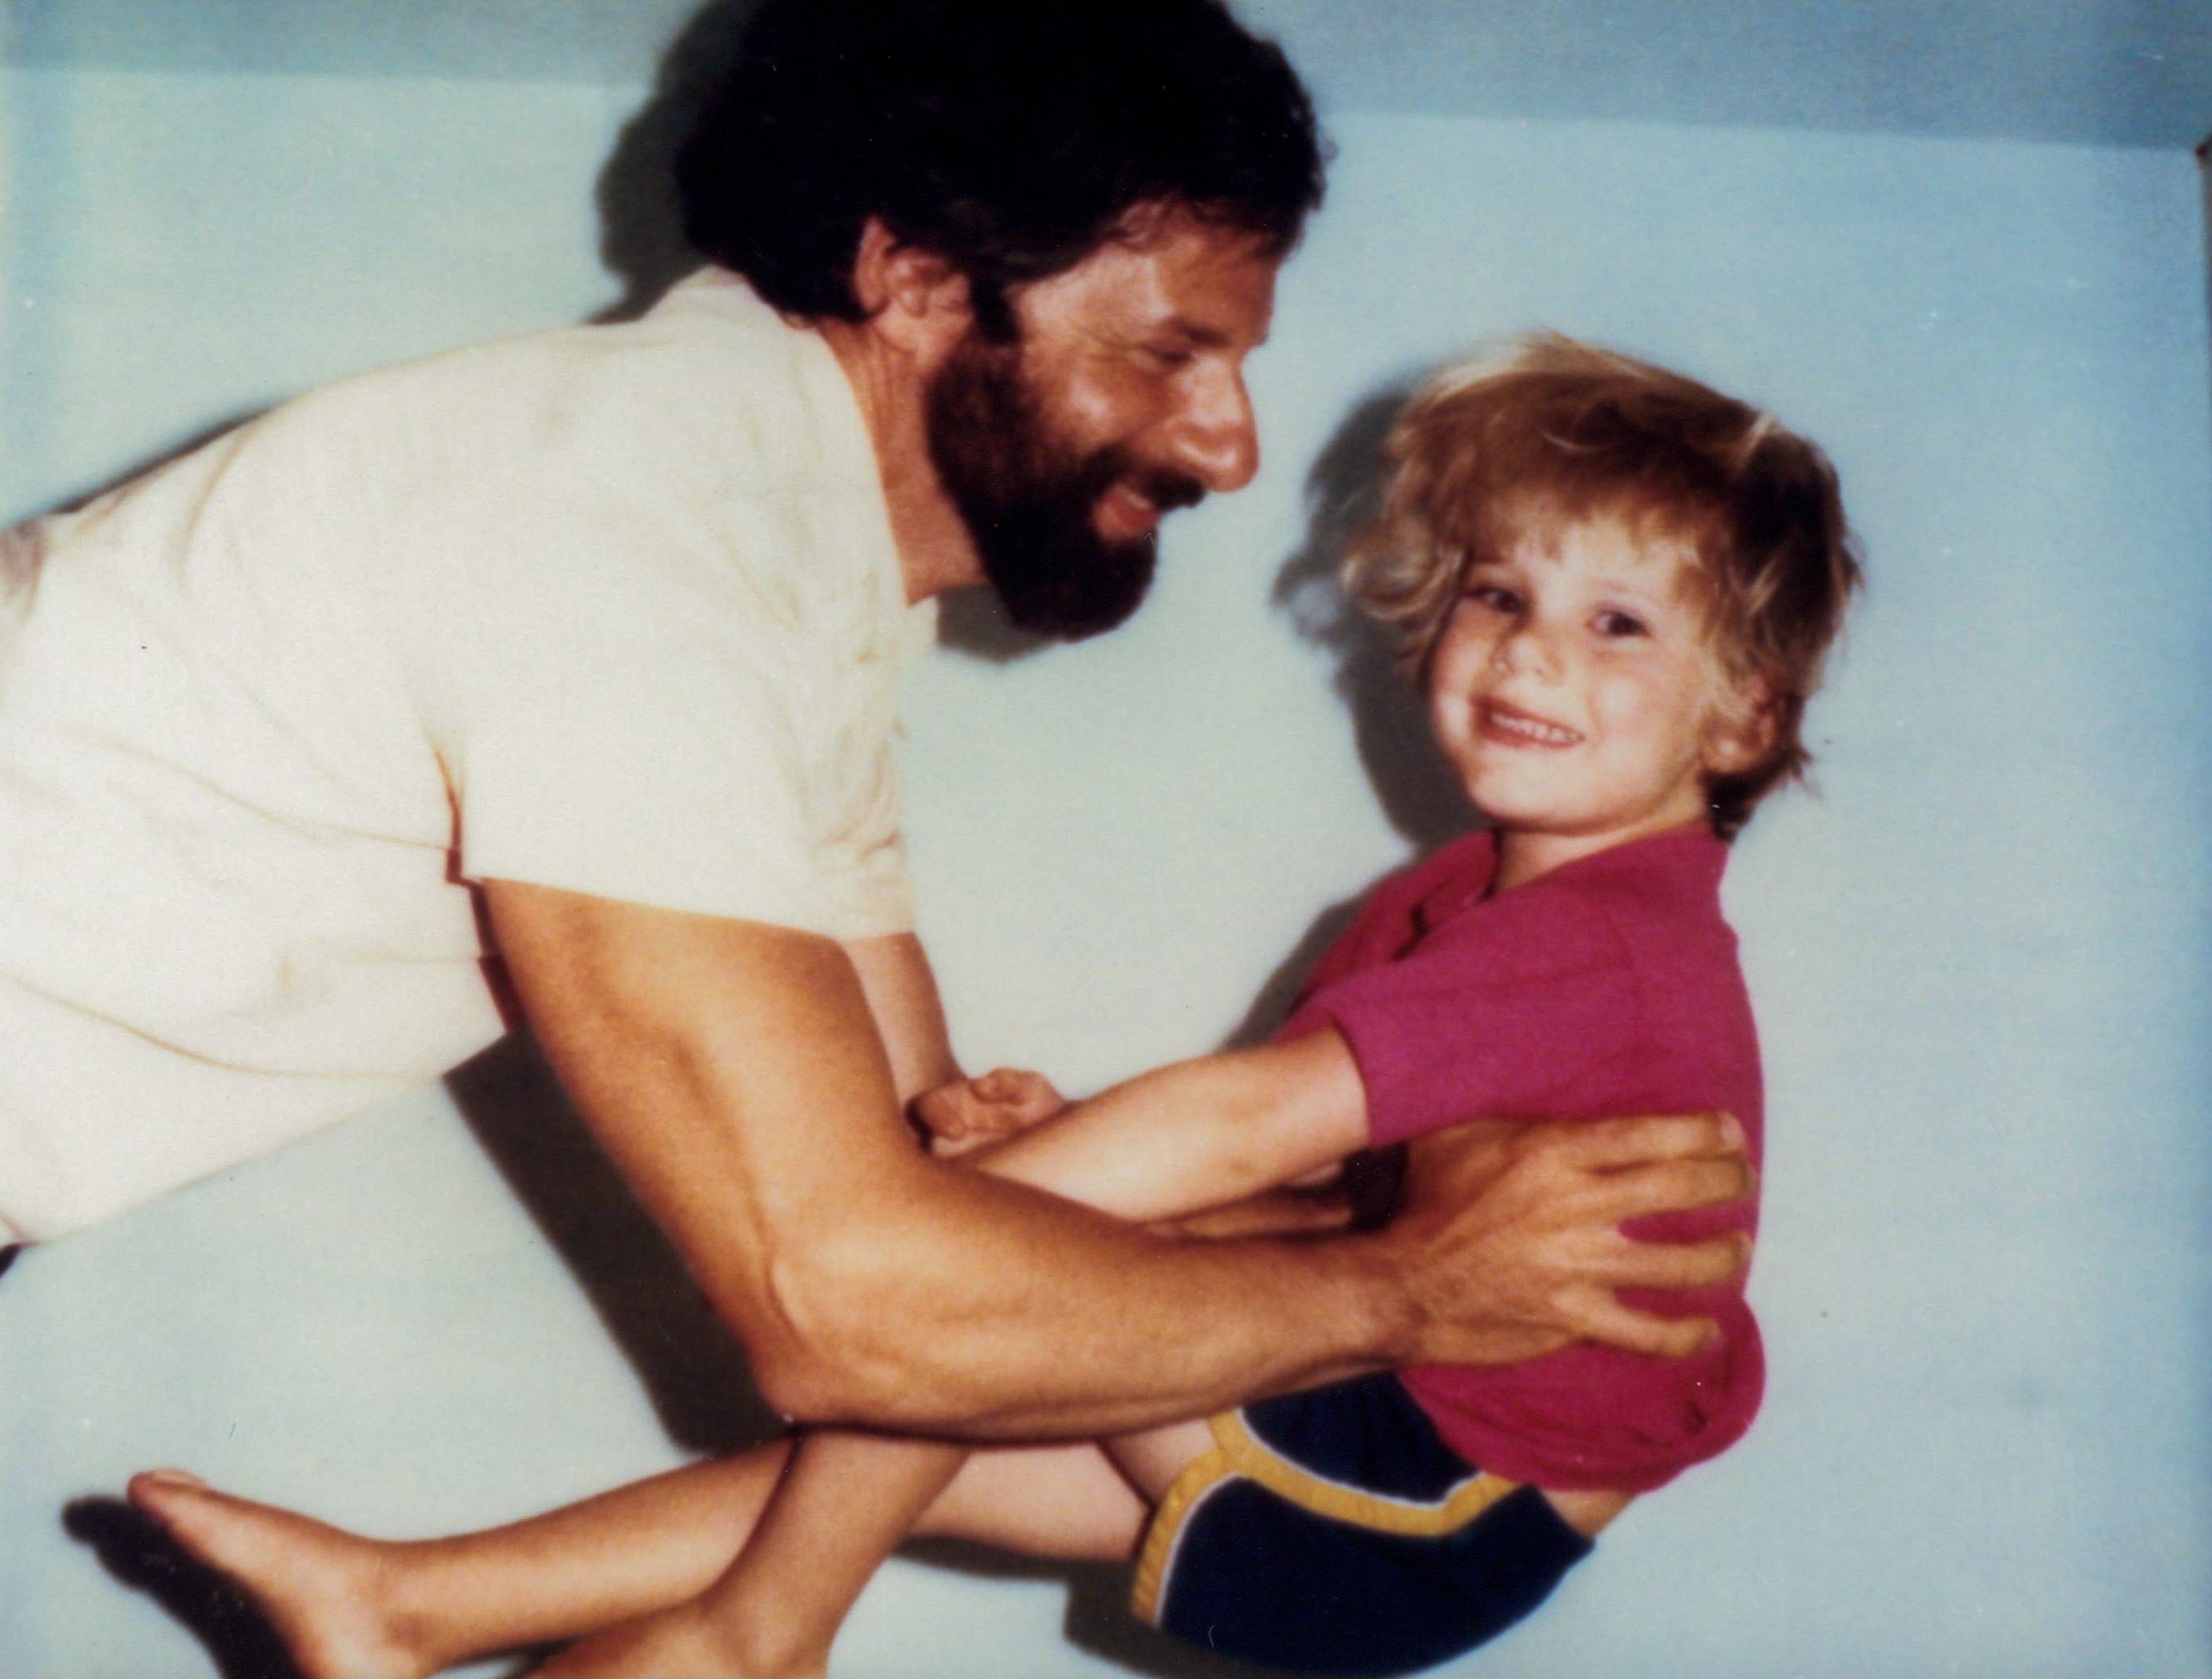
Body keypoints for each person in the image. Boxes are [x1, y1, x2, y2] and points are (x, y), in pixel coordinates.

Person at [19, 0, 1743, 1601]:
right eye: (1169, 353)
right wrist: (1411, 1287)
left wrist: (1312, 1227)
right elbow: (841, 1299)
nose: (1230, 444)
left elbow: (939, 1206)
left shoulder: (790, 576)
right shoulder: (638, 528)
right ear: (915, 279)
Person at [126, 334, 1860, 1678]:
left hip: (1421, 1503)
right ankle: (408, 1602)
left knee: (978, 1319)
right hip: (1402, 1473)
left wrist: (948, 1219)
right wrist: (1040, 1195)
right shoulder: (1445, 903)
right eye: (1501, 591)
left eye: (1618, 621)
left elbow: (1230, 1126)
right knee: (950, 1414)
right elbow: (1319, 1200)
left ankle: (758, 1642)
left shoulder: (1604, 939)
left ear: (1741, 722)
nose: (1533, 648)